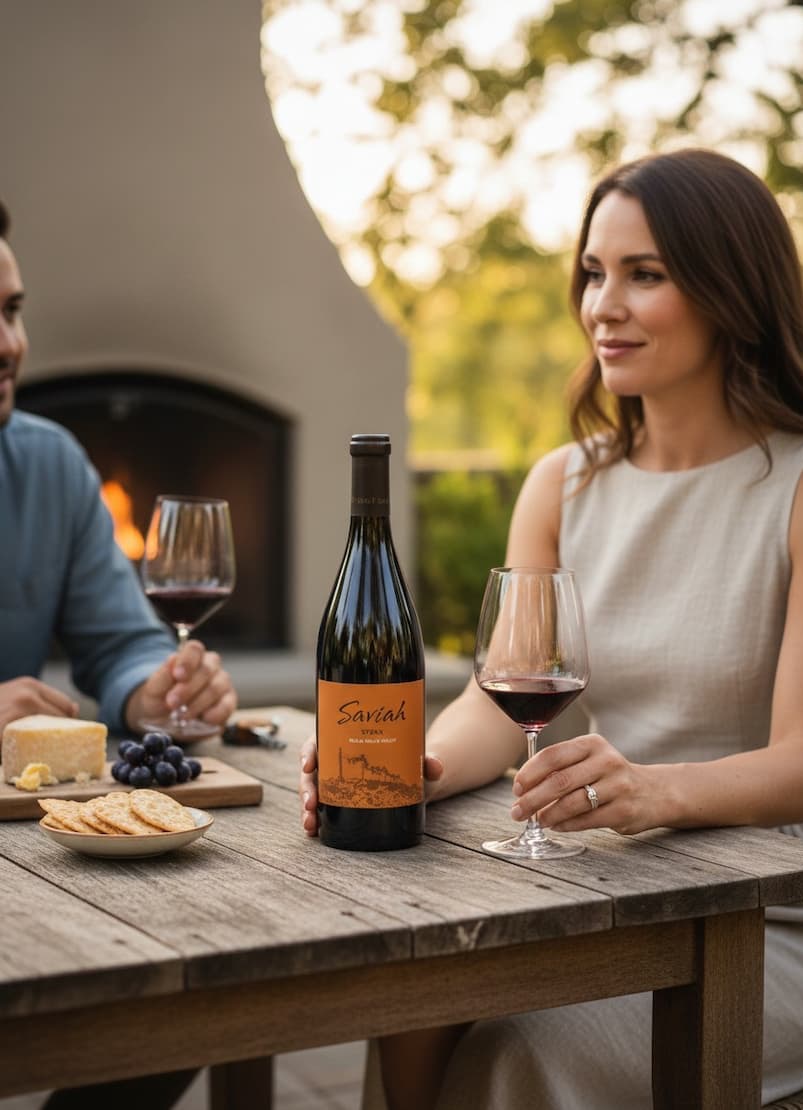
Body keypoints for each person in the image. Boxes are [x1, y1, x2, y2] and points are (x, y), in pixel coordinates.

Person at [299, 148, 803, 1109]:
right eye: (592, 272)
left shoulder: (793, 490)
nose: (601, 305)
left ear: (729, 291)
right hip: (594, 888)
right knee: (408, 979)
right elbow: (501, 701)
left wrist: (654, 791)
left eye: (643, 275)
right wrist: (417, 765)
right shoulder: (564, 484)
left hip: (759, 917)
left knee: (519, 1054)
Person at [0, 198, 236, 1110]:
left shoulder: (51, 464)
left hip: (30, 853)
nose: (10, 345)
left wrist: (156, 691)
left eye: (14, 310)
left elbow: (119, 639)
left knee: (203, 980)